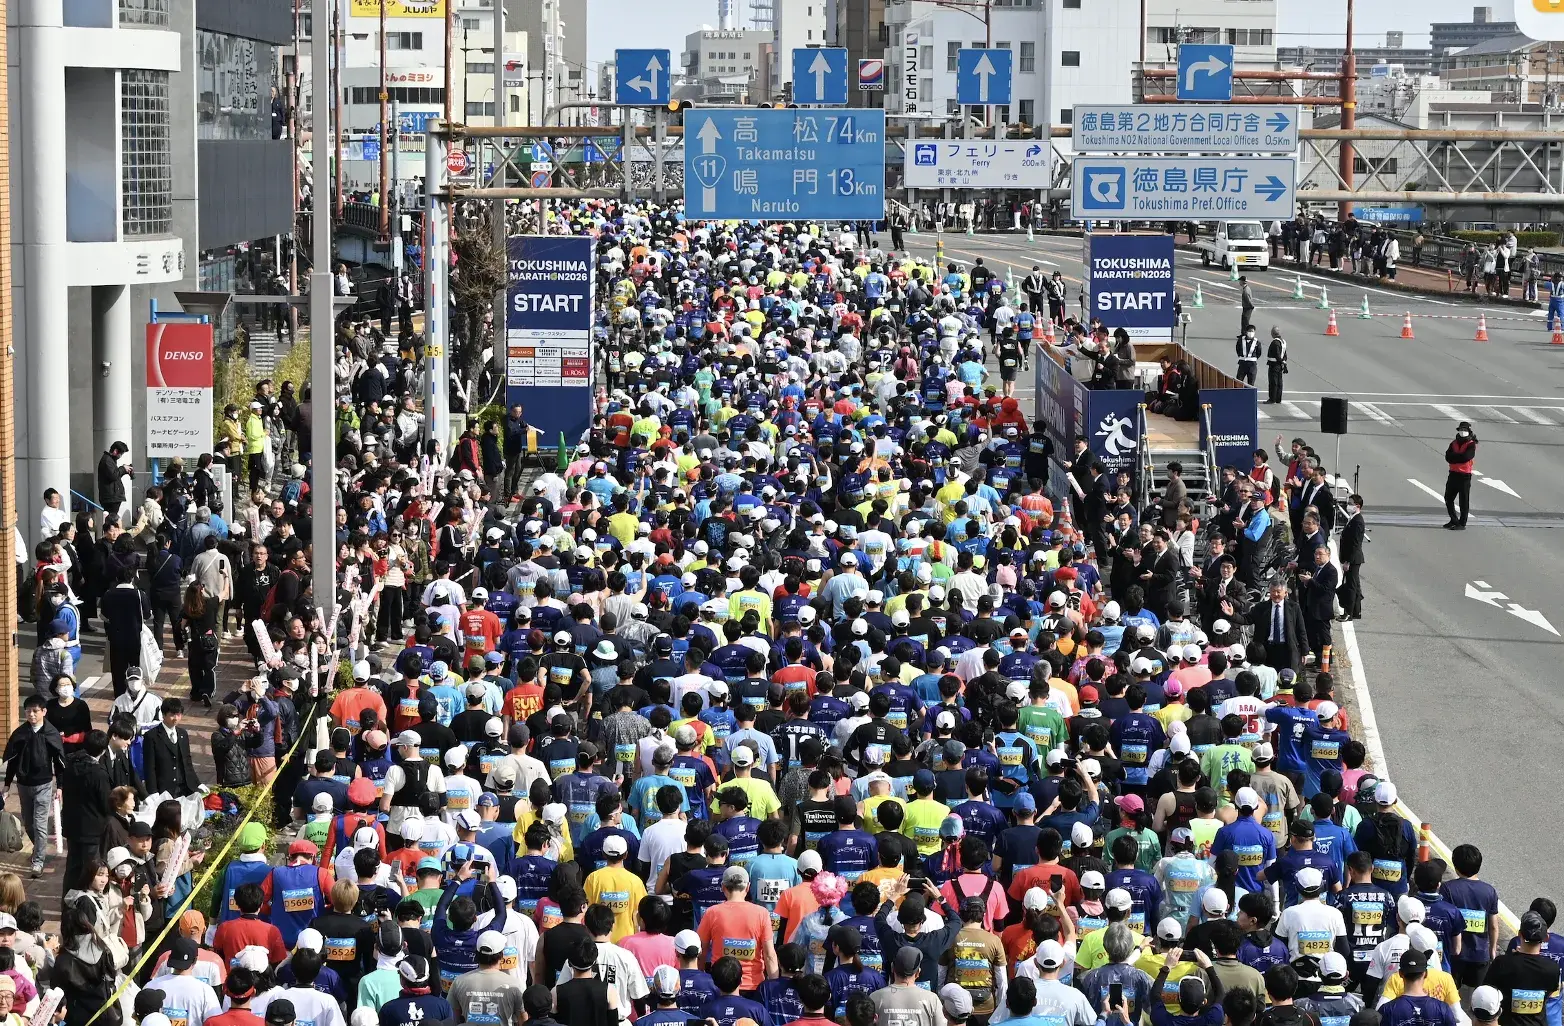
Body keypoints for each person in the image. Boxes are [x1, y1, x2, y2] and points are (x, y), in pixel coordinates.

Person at [2, 696, 64, 878]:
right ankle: (39, 849)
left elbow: (59, 761)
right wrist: (7, 784)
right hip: (23, 785)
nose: (31, 714)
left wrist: (60, 786)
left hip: (43, 784)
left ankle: (38, 862)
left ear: (44, 712)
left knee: (39, 824)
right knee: (29, 823)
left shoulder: (51, 733)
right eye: (28, 711)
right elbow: (13, 761)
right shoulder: (20, 734)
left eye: (35, 711)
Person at [1444, 421, 1476, 530]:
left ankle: (1462, 524)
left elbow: (1466, 457)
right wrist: (1458, 457)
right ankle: (1454, 520)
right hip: (1453, 474)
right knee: (1448, 498)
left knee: (1463, 500)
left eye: (1465, 430)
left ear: (1469, 431)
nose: (1463, 432)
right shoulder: (1454, 443)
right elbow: (1448, 456)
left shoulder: (1471, 444)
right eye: (1461, 430)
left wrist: (1455, 457)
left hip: (1464, 476)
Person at [1264, 328, 1287, 405]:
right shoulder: (1283, 341)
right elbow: (1285, 354)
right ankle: (1278, 399)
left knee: (1273, 382)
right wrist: (1283, 362)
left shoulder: (1275, 342)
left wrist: (1280, 361)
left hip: (1274, 365)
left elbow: (1277, 354)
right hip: (1280, 365)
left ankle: (1272, 399)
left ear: (1272, 333)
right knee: (1279, 382)